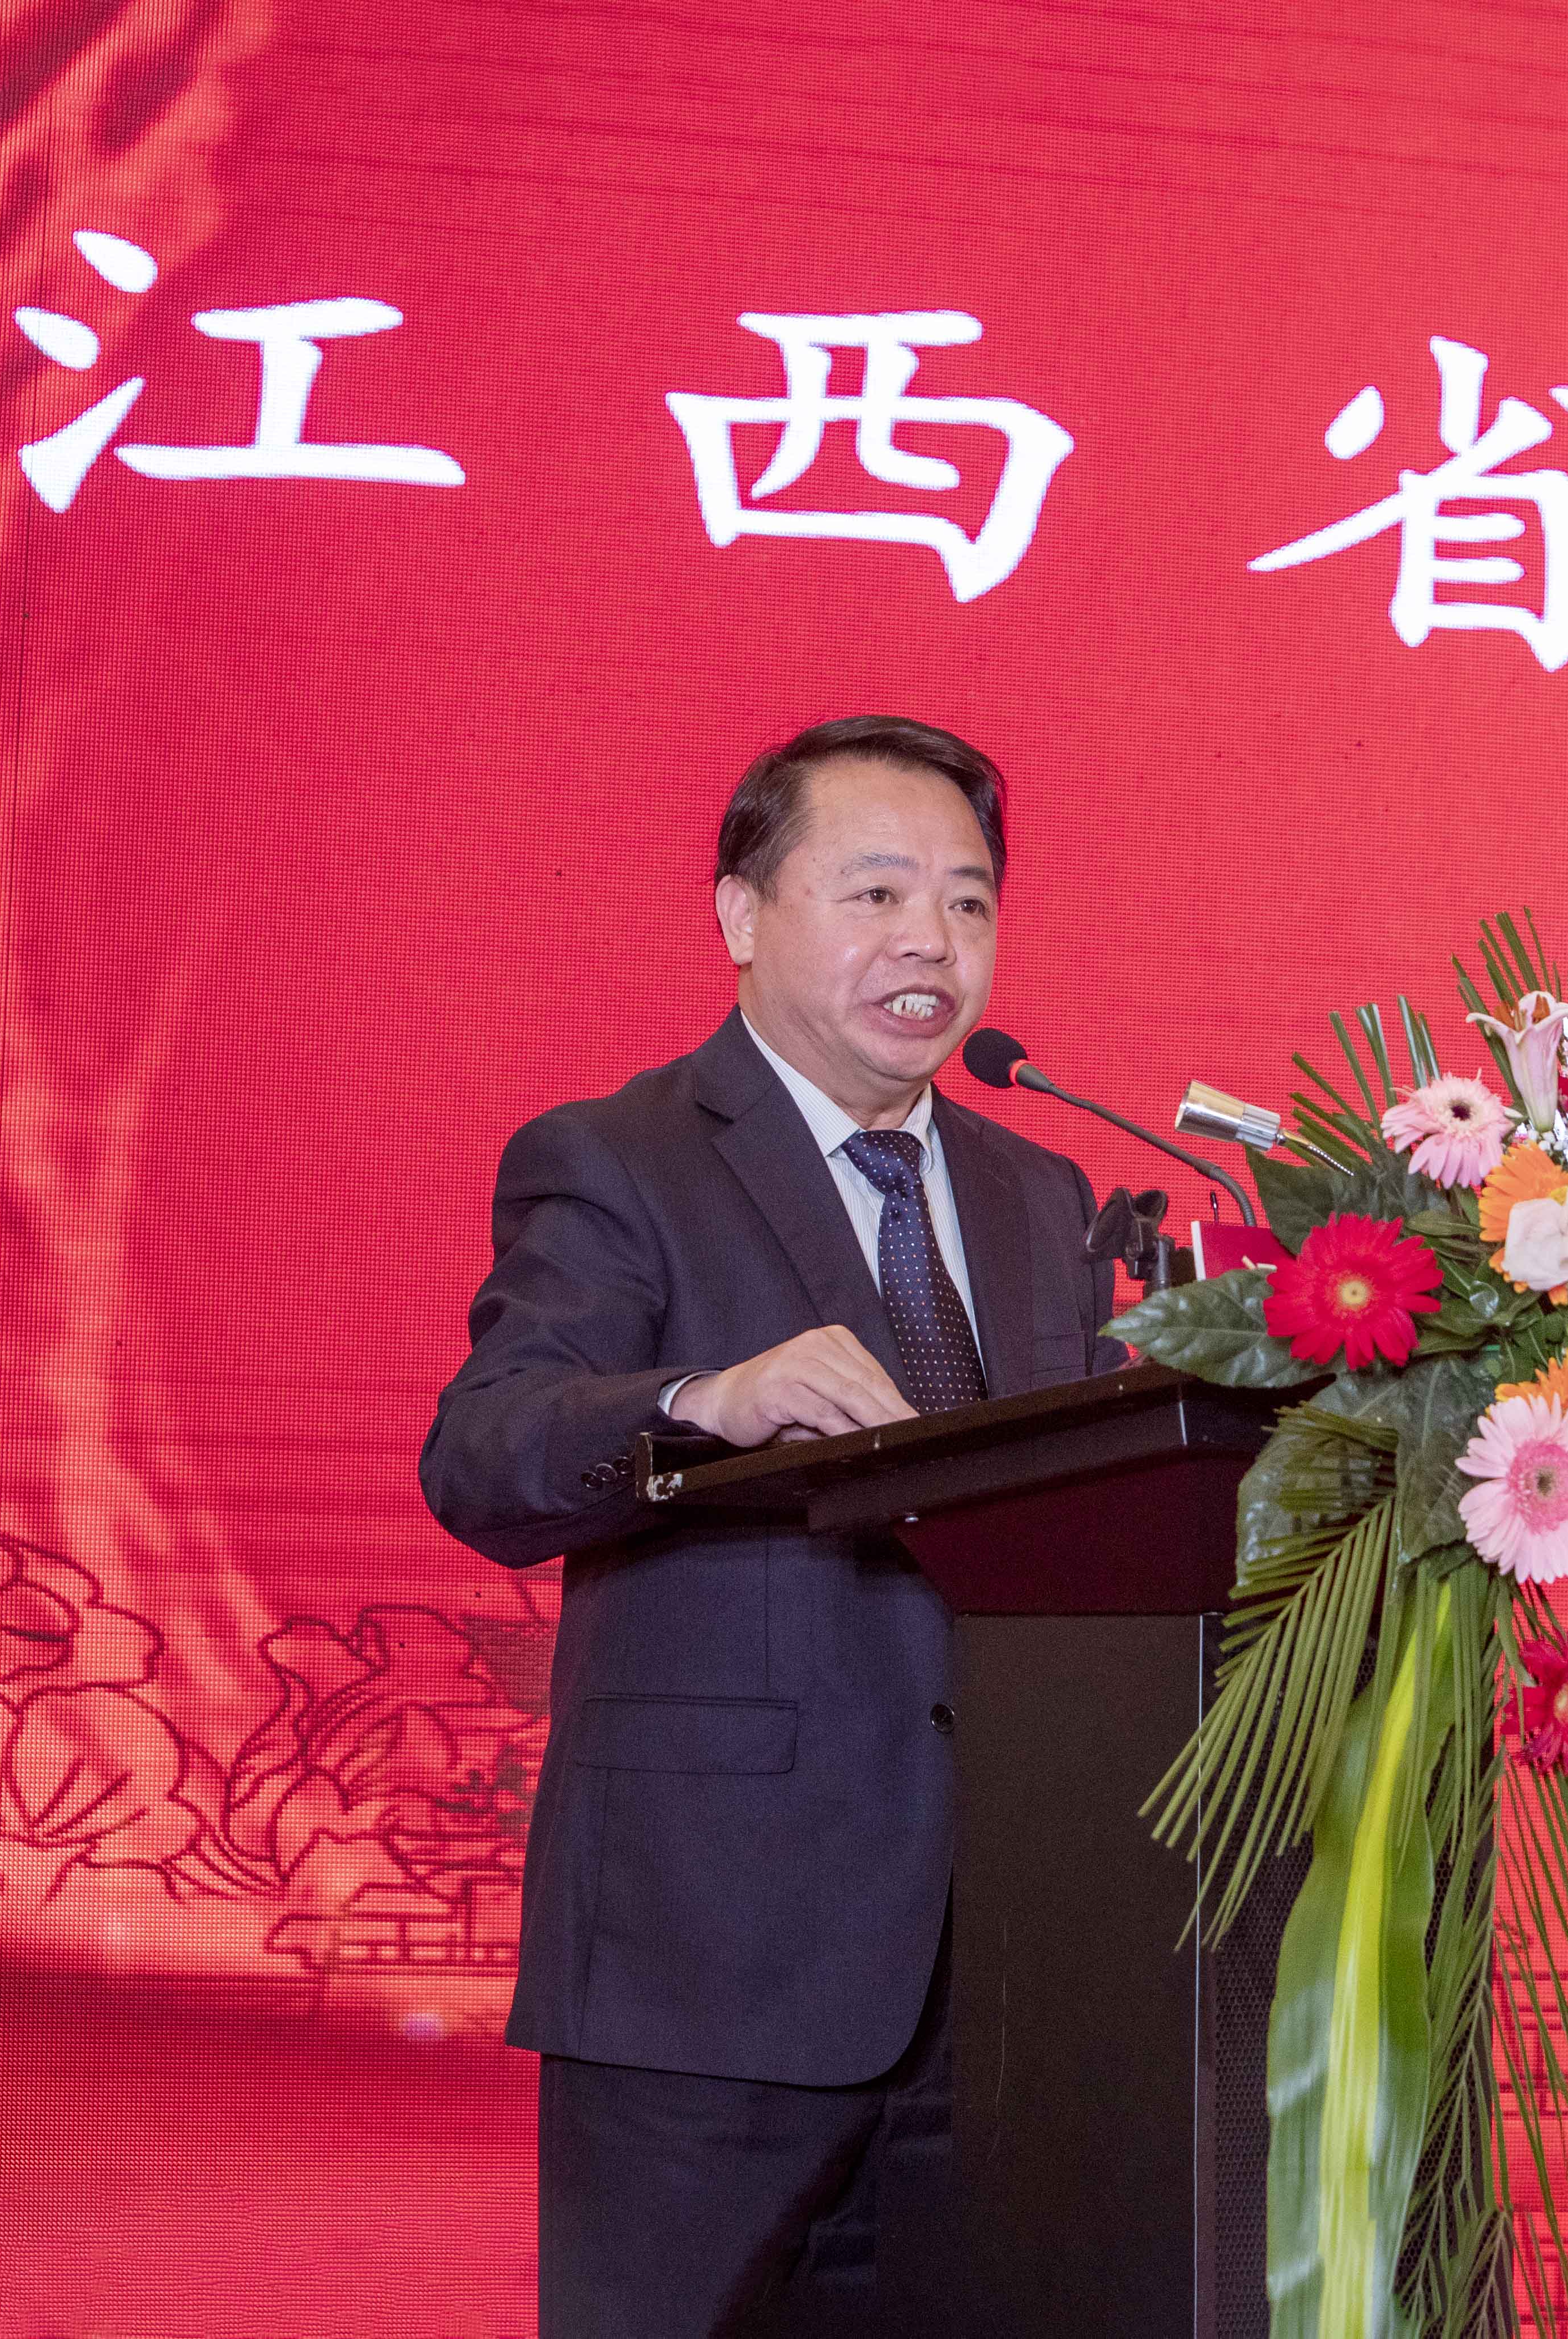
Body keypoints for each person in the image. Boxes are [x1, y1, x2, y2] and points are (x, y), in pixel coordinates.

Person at [421, 715, 1122, 2338]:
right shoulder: (618, 1160)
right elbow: (485, 1454)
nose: (930, 941)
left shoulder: (1039, 1195)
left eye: (966, 901)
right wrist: (700, 1398)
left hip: (1003, 1977)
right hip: (710, 1958)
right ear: (741, 915)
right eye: (875, 893)